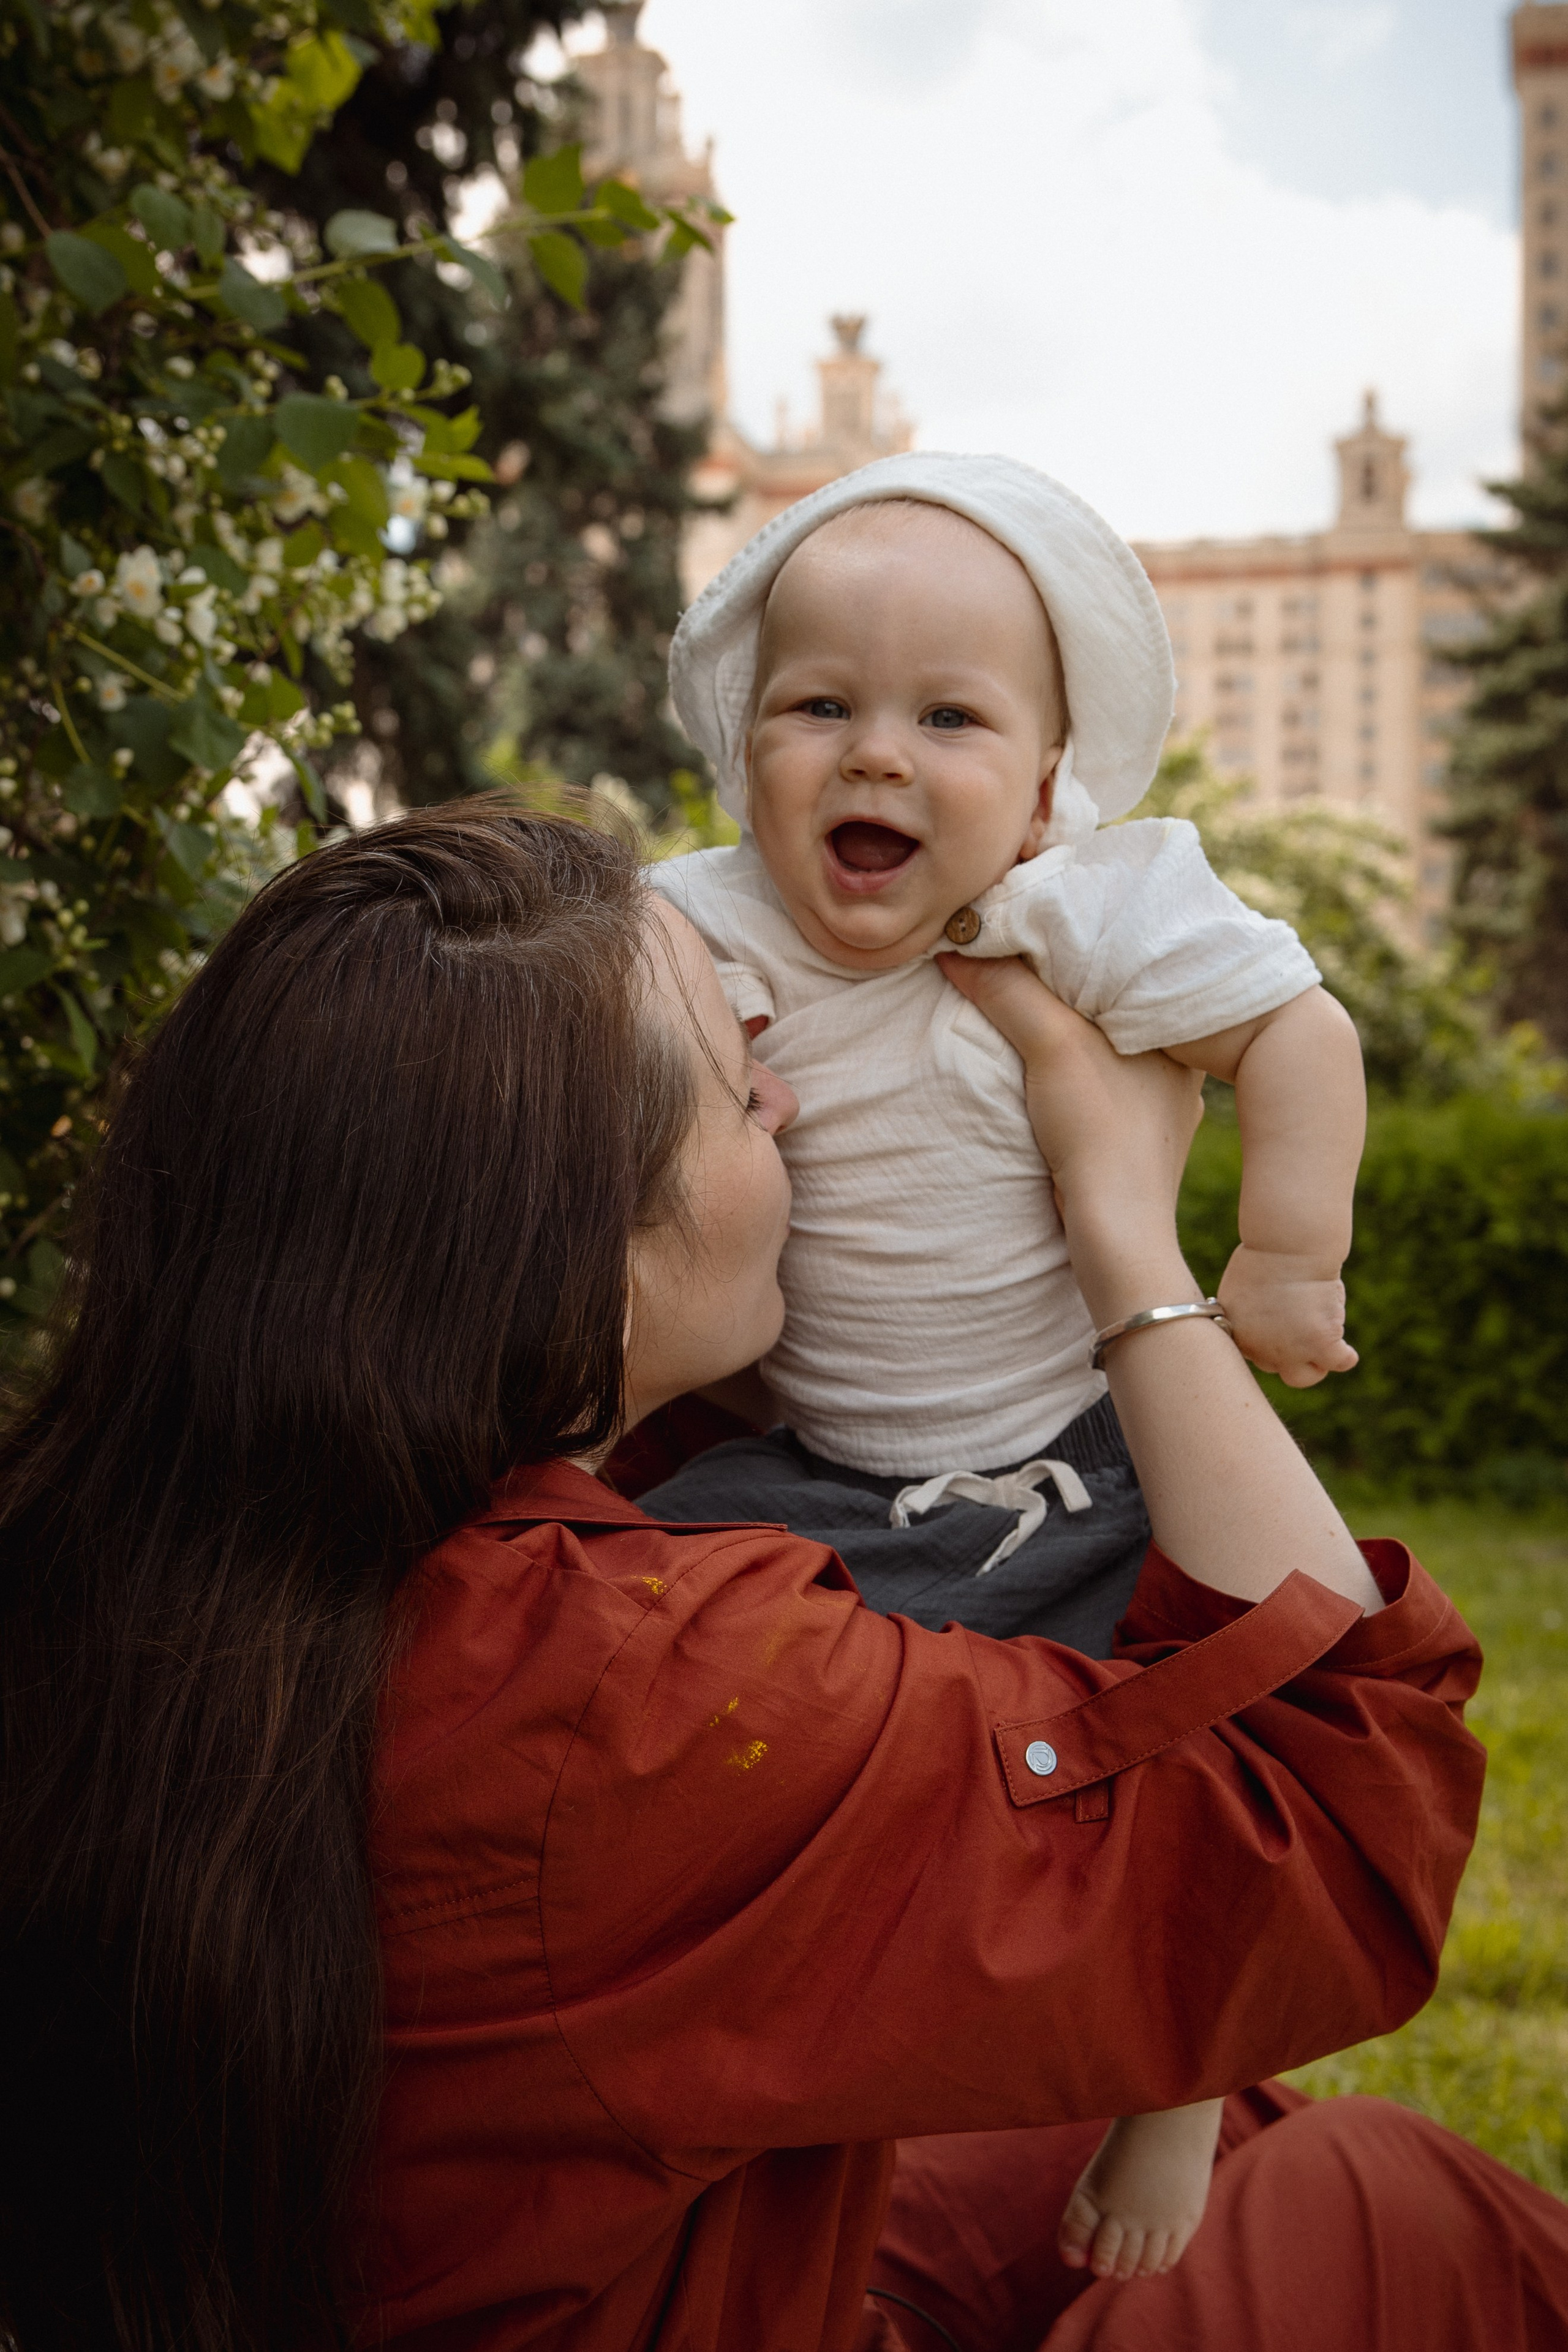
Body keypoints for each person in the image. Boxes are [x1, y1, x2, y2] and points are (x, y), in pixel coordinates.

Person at [0, 802, 1563, 2352]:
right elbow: (1328, 1838)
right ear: (564, 1249)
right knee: (1383, 2197)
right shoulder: (646, 1700)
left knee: (1225, 2130)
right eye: (738, 1088)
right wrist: (1128, 1254)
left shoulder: (146, 1545)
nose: (791, 1103)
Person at [641, 451, 1366, 2272]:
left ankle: (1182, 2073)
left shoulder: (1081, 914)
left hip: (1069, 1447)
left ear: (1048, 788)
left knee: (1206, 1735)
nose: (875, 752)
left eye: (948, 717)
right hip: (821, 1460)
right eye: (819, 707)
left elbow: (1300, 1033)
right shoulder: (700, 926)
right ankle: (749, 2016)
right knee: (678, 1658)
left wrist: (1284, 1254)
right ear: (747, 758)